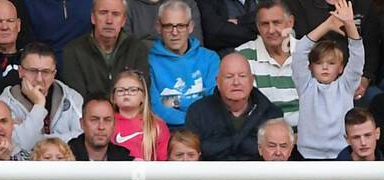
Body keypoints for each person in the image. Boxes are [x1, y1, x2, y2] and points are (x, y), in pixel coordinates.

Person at [292, 0, 364, 161]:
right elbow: (300, 52)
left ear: (341, 68)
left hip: (341, 154)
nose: (325, 67)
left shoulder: (346, 86)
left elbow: (358, 58)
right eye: (319, 63)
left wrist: (349, 23)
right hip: (307, 155)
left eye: (331, 63)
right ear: (310, 67)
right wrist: (327, 24)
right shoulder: (305, 85)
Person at [184, 51, 284, 160]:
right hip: (210, 175)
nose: (236, 82)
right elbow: (189, 156)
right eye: (229, 76)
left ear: (252, 80)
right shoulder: (198, 112)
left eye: (242, 76)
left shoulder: (271, 114)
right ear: (218, 82)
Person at [0, 40, 84, 153]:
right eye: (32, 71)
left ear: (54, 74)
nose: (39, 79)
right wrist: (39, 104)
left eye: (46, 72)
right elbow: (20, 145)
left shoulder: (73, 97)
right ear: (20, 72)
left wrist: (40, 140)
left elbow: (81, 140)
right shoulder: (3, 104)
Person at [149, 0, 220, 128]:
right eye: (168, 26)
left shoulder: (210, 58)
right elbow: (156, 108)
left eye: (181, 26)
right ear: (159, 27)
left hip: (205, 128)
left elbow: (214, 102)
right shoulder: (149, 61)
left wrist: (174, 105)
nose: (175, 32)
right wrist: (193, 117)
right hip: (166, 130)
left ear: (191, 27)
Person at [61, 0, 150, 99]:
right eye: (103, 13)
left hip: (128, 112)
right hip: (90, 113)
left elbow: (141, 95)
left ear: (124, 20)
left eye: (116, 14)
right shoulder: (73, 51)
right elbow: (77, 101)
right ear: (93, 18)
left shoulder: (137, 49)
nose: (109, 21)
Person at [235, 0, 300, 129]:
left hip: (306, 135)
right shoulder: (243, 55)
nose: (271, 30)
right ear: (258, 27)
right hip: (263, 136)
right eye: (265, 24)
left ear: (290, 22)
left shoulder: (306, 52)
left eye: (277, 23)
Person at [111, 68, 168, 160]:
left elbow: (163, 163)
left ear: (143, 97)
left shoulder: (157, 125)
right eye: (120, 90)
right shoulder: (106, 123)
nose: (126, 93)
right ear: (113, 97)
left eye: (133, 90)